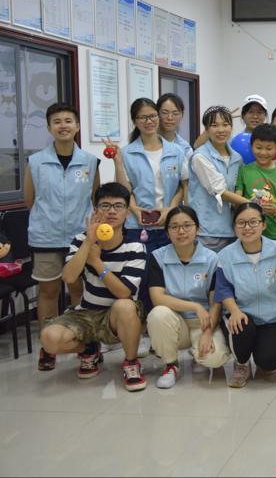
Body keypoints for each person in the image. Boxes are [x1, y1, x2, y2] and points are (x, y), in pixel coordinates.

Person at [40, 183, 147, 391]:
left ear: (127, 213)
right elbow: (69, 277)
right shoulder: (81, 240)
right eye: (105, 206)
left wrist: (97, 263)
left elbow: (124, 292)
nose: (111, 211)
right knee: (49, 339)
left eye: (118, 206)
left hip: (116, 315)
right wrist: (89, 242)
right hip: (85, 313)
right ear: (95, 211)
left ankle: (131, 362)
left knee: (125, 306)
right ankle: (89, 349)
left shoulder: (135, 246)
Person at [24, 103, 100, 371]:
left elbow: (95, 199)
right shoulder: (35, 162)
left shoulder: (90, 161)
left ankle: (85, 343)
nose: (63, 125)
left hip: (79, 238)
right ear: (49, 128)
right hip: (45, 236)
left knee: (79, 289)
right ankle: (48, 346)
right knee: (49, 291)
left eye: (68, 120)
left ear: (77, 126)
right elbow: (30, 199)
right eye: (57, 121)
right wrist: (49, 221)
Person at [146, 206, 231, 389]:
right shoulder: (157, 258)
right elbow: (158, 298)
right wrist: (195, 307)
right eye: (174, 227)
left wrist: (208, 333)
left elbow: (215, 303)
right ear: (167, 232)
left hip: (203, 323)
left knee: (215, 359)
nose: (181, 231)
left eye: (187, 225)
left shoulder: (212, 259)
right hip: (173, 321)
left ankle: (197, 352)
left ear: (197, 228)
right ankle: (171, 365)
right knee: (158, 314)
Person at [215, 202, 276, 388]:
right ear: (234, 227)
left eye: (253, 222)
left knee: (269, 364)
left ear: (263, 225)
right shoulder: (225, 256)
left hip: (272, 316)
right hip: (242, 314)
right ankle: (241, 363)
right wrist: (234, 311)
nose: (247, 227)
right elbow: (223, 288)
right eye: (241, 223)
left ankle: (263, 350)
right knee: (241, 325)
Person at [121, 97, 189, 256]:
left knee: (168, 268)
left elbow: (182, 186)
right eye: (143, 117)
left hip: (170, 225)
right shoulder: (127, 153)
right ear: (134, 121)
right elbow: (125, 189)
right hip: (137, 226)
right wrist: (135, 210)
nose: (149, 121)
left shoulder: (177, 151)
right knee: (140, 269)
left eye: (152, 116)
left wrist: (170, 209)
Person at [188, 107, 244, 252]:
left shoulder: (237, 158)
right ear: (206, 129)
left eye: (225, 124)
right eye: (214, 125)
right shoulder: (200, 157)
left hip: (233, 229)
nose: (221, 130)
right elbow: (220, 191)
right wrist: (251, 204)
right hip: (207, 231)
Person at [234, 124, 276, 241]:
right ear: (251, 146)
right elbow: (237, 198)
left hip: (275, 232)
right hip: (249, 230)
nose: (263, 152)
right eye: (259, 147)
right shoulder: (243, 170)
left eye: (269, 149)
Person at [157, 93, 193, 158]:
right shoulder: (146, 140)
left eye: (175, 113)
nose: (170, 118)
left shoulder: (185, 149)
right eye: (165, 113)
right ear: (157, 114)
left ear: (182, 116)